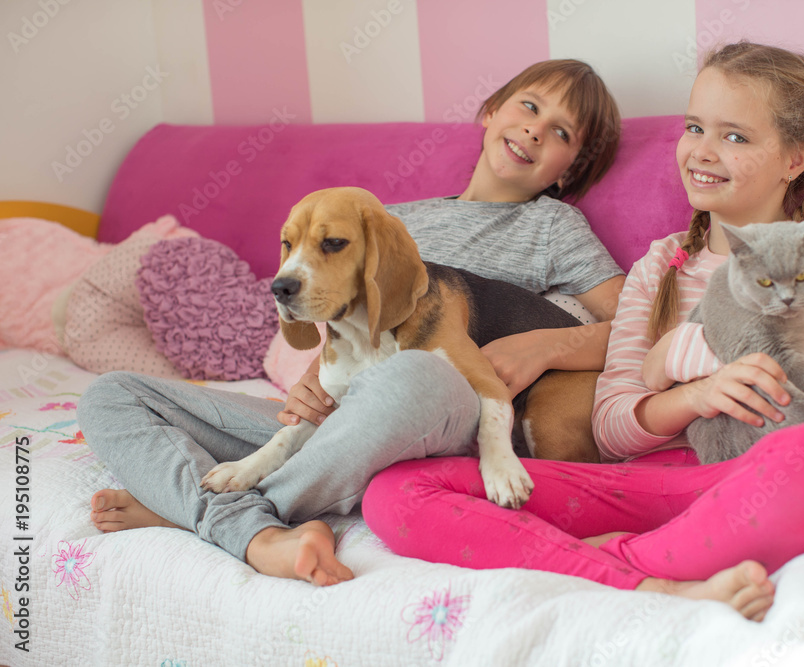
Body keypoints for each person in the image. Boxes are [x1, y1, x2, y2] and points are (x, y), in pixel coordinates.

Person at [360, 42, 804, 622]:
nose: (703, 151)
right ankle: (652, 577)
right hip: (646, 485)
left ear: (795, 160)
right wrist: (696, 393)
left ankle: (613, 566)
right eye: (694, 128)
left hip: (755, 477)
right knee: (395, 492)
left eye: (735, 136)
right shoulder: (659, 265)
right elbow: (610, 430)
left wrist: (687, 350)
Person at [79, 59, 625, 587]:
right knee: (112, 394)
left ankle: (216, 517)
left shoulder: (552, 226)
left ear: (570, 168)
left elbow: (639, 331)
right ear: (491, 111)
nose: (534, 129)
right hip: (343, 418)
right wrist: (314, 379)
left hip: (452, 410)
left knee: (412, 374)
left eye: (560, 132)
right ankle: (247, 512)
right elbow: (348, 317)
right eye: (528, 106)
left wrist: (546, 347)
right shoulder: (383, 216)